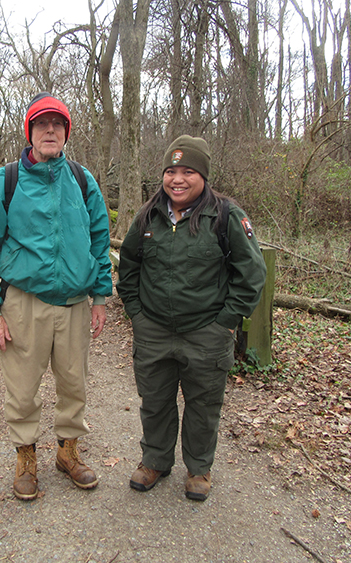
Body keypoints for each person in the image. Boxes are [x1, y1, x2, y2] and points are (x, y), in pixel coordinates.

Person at [0, 92, 112, 500]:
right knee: (22, 387)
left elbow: (99, 241)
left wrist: (100, 295)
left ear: (66, 132)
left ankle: (68, 452)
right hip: (23, 304)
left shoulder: (83, 181)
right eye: (42, 124)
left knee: (74, 383)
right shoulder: (7, 180)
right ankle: (25, 457)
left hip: (74, 305)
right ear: (30, 131)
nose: (50, 130)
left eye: (58, 124)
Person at [117, 135, 266, 501]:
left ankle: (199, 468)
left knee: (203, 404)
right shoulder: (146, 216)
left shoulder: (227, 216)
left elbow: (252, 274)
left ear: (203, 176)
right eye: (171, 171)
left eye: (187, 171)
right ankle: (155, 461)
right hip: (153, 330)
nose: (177, 179)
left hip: (206, 332)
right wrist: (136, 313)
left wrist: (226, 321)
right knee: (155, 401)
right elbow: (129, 268)